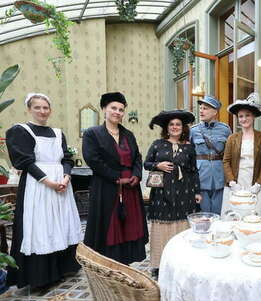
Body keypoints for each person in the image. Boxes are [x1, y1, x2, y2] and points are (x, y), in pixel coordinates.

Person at [6, 93, 81, 290]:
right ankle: (41, 277)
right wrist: (48, 182)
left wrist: (65, 177)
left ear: (50, 110)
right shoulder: (21, 131)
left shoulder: (58, 133)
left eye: (45, 107)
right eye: (37, 107)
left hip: (62, 185)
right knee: (41, 226)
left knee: (60, 224)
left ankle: (62, 269)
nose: (42, 111)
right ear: (29, 109)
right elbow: (25, 161)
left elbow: (66, 158)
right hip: (38, 186)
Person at [83, 92, 148, 265]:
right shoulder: (92, 133)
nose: (117, 112)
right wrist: (117, 178)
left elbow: (137, 158)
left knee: (130, 223)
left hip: (131, 189)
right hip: (107, 187)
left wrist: (136, 174)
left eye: (121, 109)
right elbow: (93, 160)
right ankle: (108, 261)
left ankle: (127, 259)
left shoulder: (129, 134)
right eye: (113, 108)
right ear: (104, 109)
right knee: (109, 224)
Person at [145, 110, 201, 278]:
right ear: (167, 128)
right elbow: (146, 163)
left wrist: (197, 192)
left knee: (181, 225)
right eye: (172, 125)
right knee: (163, 227)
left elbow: (193, 171)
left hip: (184, 192)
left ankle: (181, 263)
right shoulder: (157, 144)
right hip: (162, 193)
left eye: (178, 124)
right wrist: (158, 165)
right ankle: (159, 264)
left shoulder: (189, 147)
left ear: (182, 128)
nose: (175, 127)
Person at [221, 94, 261, 218]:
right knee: (234, 217)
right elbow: (226, 161)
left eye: (247, 115)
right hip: (237, 182)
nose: (244, 119)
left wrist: (258, 184)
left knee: (254, 217)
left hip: (254, 184)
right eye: (241, 116)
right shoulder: (232, 138)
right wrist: (232, 182)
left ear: (253, 117)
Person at [190, 95, 231, 214]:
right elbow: (190, 155)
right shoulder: (193, 130)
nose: (201, 111)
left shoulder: (225, 129)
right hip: (201, 175)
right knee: (204, 214)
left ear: (215, 112)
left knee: (219, 213)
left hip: (220, 176)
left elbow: (230, 154)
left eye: (205, 108)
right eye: (201, 108)